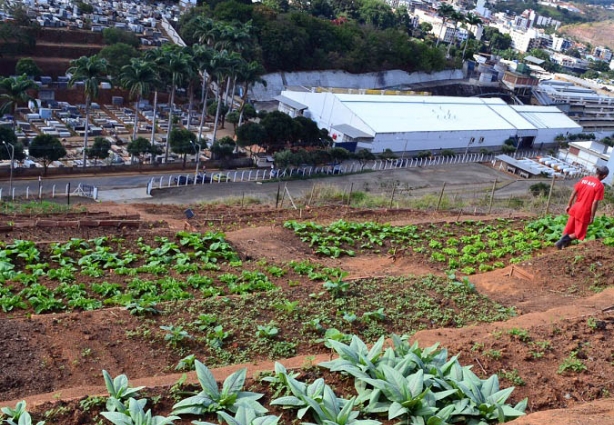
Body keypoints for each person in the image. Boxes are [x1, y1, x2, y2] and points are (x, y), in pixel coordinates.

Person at [555, 165, 609, 249]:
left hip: (575, 207)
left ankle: (563, 244)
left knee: (569, 228)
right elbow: (595, 202)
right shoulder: (600, 186)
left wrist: (569, 204)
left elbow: (574, 192)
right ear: (604, 175)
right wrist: (592, 216)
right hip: (584, 211)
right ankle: (561, 242)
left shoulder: (585, 179)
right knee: (579, 233)